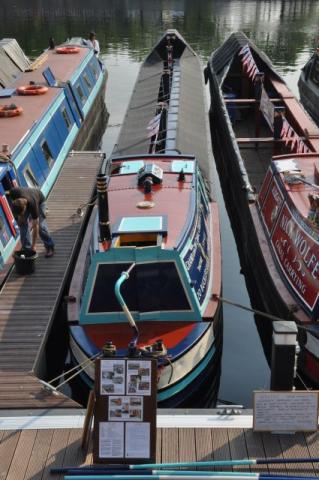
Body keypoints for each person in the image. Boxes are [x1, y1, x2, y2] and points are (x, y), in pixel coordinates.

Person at [9, 187, 55, 258]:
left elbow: (35, 227)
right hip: (24, 200)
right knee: (22, 224)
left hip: (39, 200)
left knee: (41, 227)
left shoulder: (33, 205)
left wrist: (34, 245)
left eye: (22, 214)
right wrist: (19, 218)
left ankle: (49, 246)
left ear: (25, 209)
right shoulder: (13, 192)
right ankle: (27, 249)